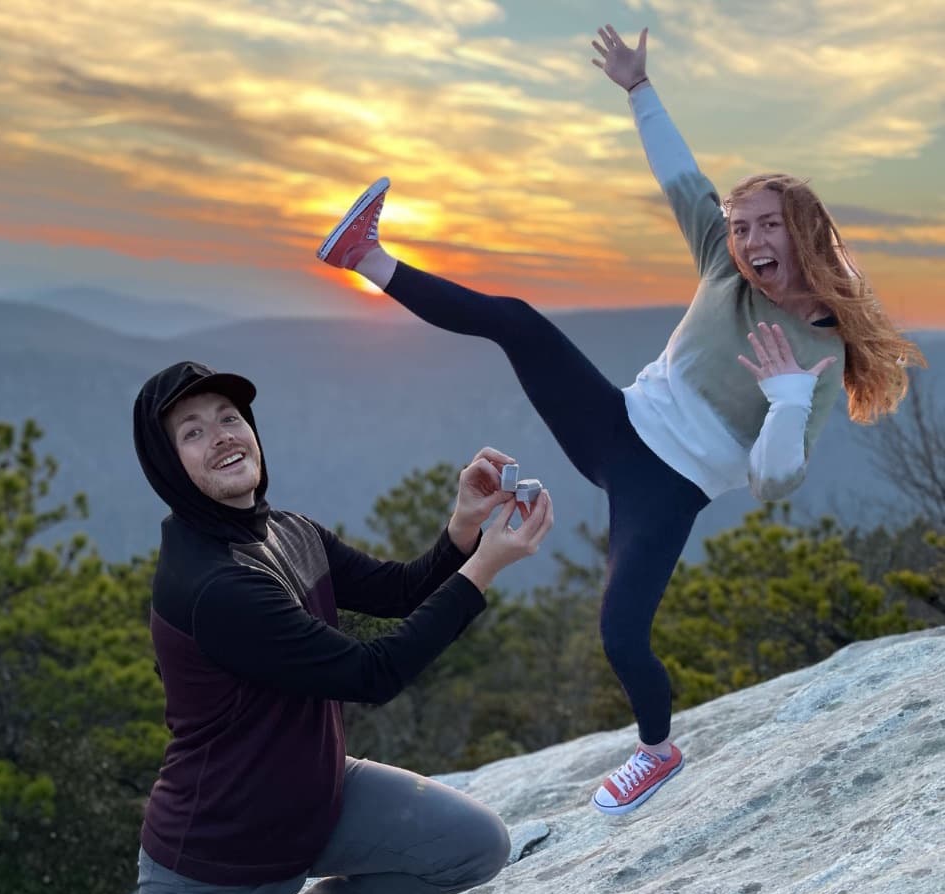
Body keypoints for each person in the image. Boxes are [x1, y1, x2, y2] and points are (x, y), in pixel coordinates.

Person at [315, 24, 926, 817]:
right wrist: (639, 88)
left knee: (621, 634)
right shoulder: (723, 263)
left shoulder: (820, 351)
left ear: (804, 231)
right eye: (741, 227)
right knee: (519, 321)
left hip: (665, 492)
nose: (747, 241)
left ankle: (656, 750)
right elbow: (681, 176)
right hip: (614, 424)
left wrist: (784, 401)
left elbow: (776, 482)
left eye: (767, 226)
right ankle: (366, 256)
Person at [0, 360, 554, 894]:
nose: (223, 437)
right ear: (168, 463)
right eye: (193, 432)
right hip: (222, 853)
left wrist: (463, 531)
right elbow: (371, 674)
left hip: (318, 797)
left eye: (229, 417)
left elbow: (397, 591)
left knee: (475, 847)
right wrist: (486, 570)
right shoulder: (215, 585)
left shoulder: (284, 531)